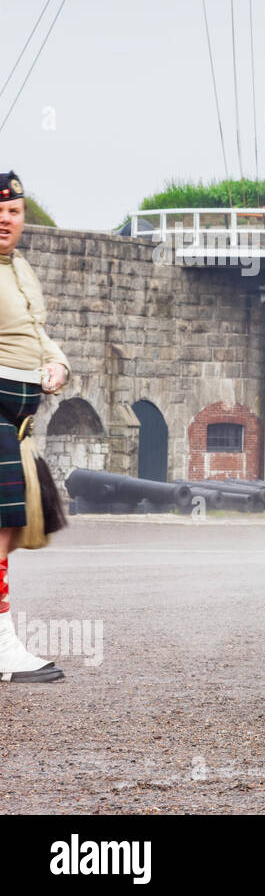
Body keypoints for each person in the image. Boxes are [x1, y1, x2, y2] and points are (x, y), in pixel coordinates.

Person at [0, 171, 70, 683]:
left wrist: (58, 367)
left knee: (10, 530)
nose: (6, 218)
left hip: (17, 421)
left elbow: (40, 335)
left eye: (14, 210)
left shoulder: (19, 268)